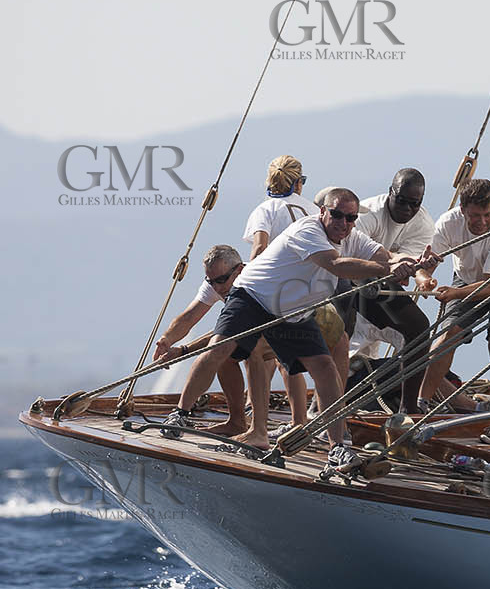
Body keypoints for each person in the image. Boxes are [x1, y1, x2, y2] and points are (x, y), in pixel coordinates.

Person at [164, 189, 427, 467]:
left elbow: (386, 257)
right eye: (336, 215)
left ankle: (337, 446)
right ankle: (179, 414)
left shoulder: (354, 238)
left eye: (350, 218)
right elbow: (335, 265)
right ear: (323, 212)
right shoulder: (308, 229)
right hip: (253, 296)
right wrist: (385, 269)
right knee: (221, 348)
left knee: (325, 367)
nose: (343, 223)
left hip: (292, 311)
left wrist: (411, 264)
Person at [419, 179, 490, 443]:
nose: (482, 222)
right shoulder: (448, 223)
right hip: (467, 277)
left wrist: (454, 293)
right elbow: (426, 264)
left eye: (487, 215)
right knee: (448, 336)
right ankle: (421, 405)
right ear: (462, 210)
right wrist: (424, 279)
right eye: (475, 216)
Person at [339, 168, 435, 412]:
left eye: (414, 204)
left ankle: (408, 408)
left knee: (419, 328)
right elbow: (350, 255)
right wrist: (393, 267)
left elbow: (406, 262)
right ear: (391, 192)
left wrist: (422, 276)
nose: (407, 209)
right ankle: (328, 407)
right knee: (341, 330)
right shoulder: (367, 214)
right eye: (401, 201)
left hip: (380, 284)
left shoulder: (422, 224)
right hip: (345, 278)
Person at [151, 245, 258, 445]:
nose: (216, 287)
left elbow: (225, 334)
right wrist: (167, 340)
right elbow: (190, 316)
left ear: (240, 270)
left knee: (251, 356)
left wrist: (184, 350)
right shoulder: (219, 282)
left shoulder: (252, 283)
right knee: (226, 358)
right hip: (251, 329)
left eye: (221, 281)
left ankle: (181, 414)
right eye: (210, 281)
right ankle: (237, 422)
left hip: (286, 325)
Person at [244, 155, 317, 430]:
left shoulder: (265, 210)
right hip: (309, 291)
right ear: (299, 183)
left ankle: (255, 421)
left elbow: (259, 248)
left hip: (274, 291)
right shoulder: (312, 209)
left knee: (255, 352)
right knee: (288, 357)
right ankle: (298, 421)